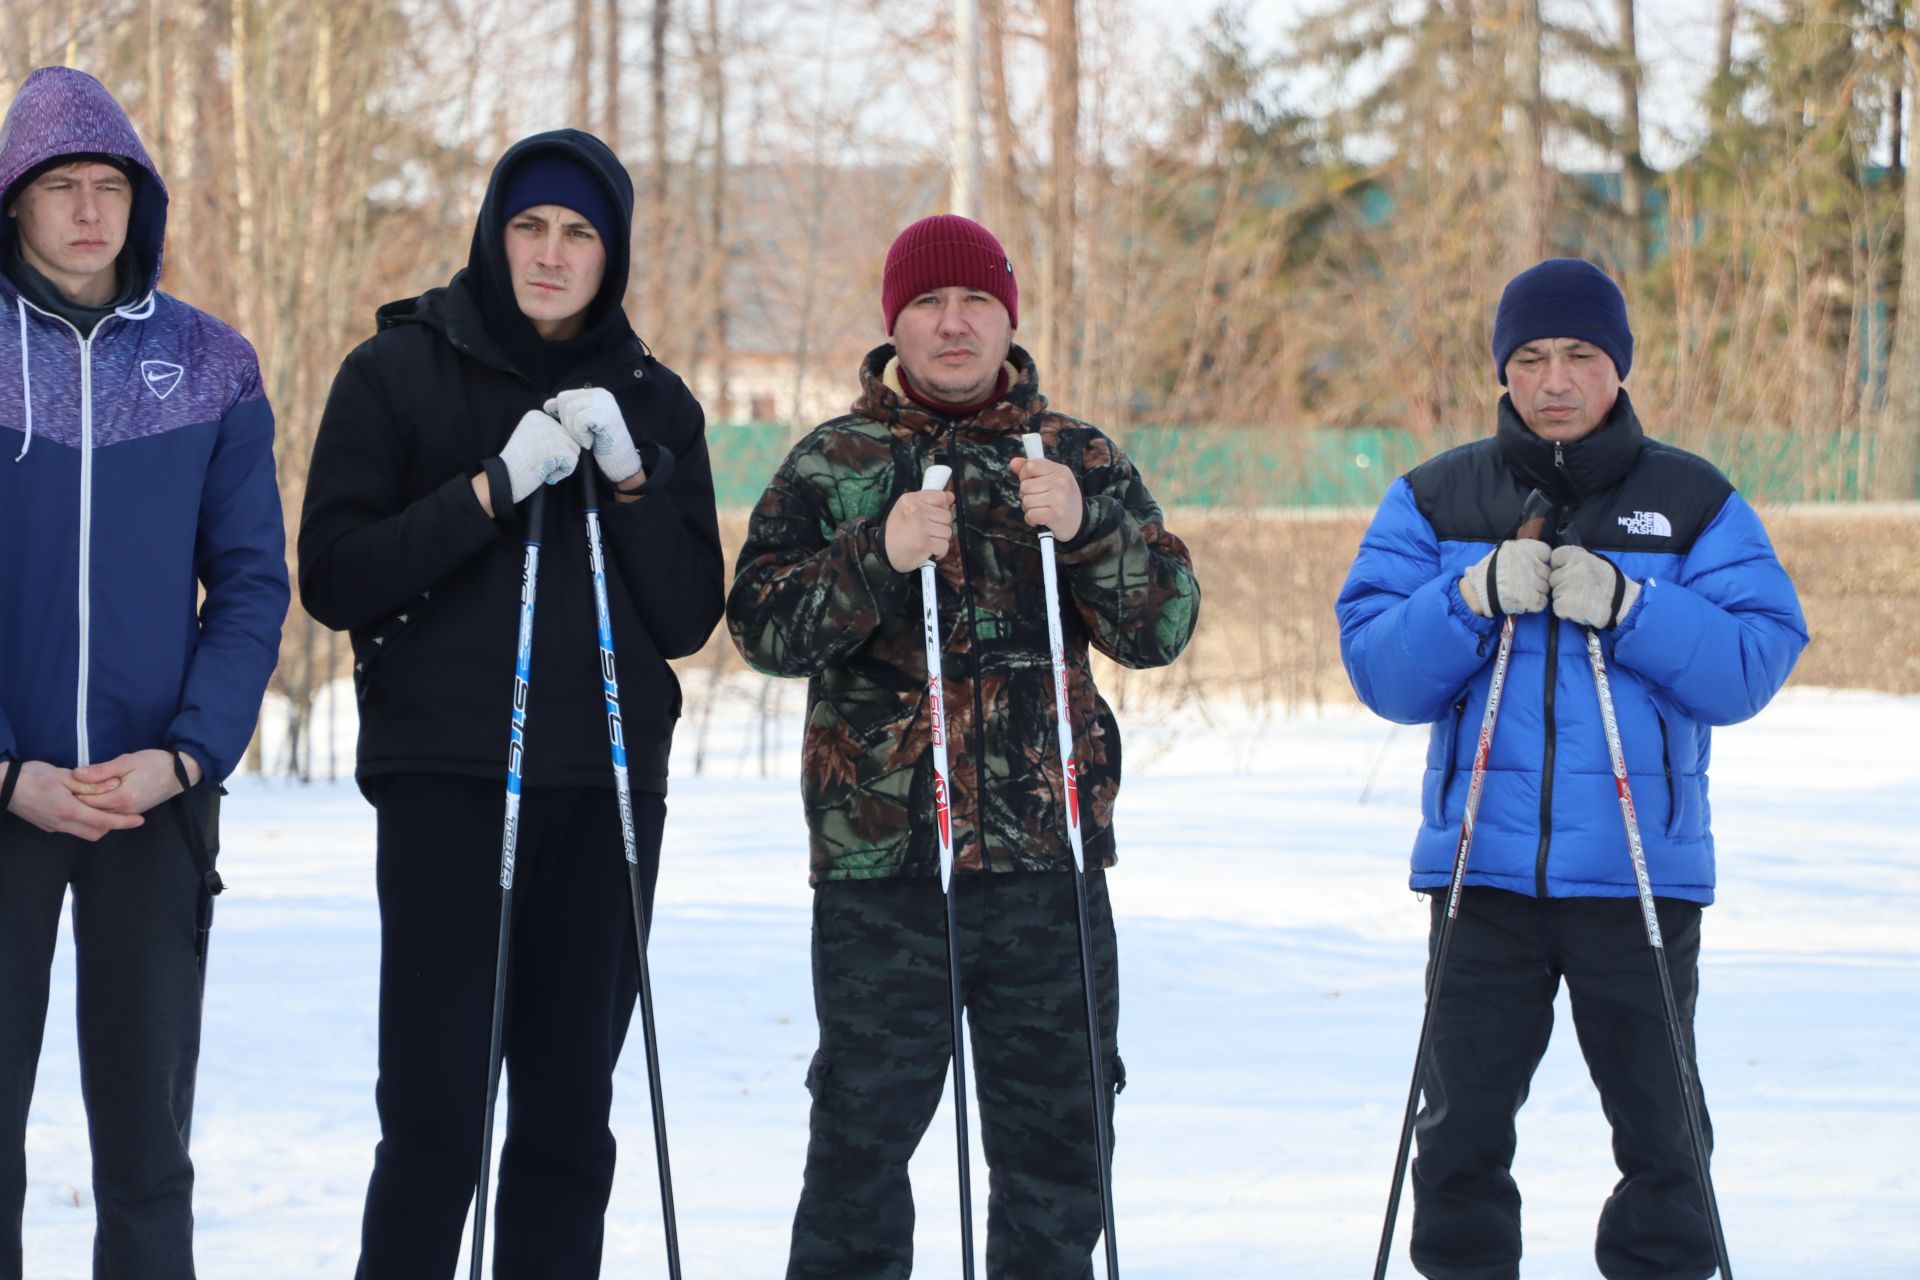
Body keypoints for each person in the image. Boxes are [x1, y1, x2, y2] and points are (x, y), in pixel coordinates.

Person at [727, 213, 1200, 1277]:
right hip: (884, 868)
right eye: (930, 304)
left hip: (1050, 863)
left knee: (1059, 1151)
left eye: (975, 302)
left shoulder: (1074, 454)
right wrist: (876, 552)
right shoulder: (835, 461)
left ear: (1008, 316)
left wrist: (1090, 530)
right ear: (894, 319)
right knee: (859, 1145)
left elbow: (1161, 626)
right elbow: (759, 626)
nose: (953, 325)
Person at [297, 129, 723, 1278]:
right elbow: (334, 575)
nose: (550, 252)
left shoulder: (659, 403)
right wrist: (489, 487)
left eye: (579, 232)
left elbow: (688, 615)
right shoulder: (396, 372)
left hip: (605, 797)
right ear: (493, 231)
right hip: (451, 782)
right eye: (529, 225)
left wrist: (636, 483)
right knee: (436, 1117)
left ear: (612, 251)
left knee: (568, 1125)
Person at [1335, 258, 1809, 1280]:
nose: (1555, 379)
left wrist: (1633, 606)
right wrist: (1469, 595)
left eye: (1580, 355)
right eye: (1531, 357)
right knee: (1459, 1132)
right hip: (1481, 877)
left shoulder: (1690, 500)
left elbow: (1754, 658)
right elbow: (1378, 663)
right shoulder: (1437, 495)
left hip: (1638, 875)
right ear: (1504, 370)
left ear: (1617, 364)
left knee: (1664, 1131)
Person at [0, 66, 289, 1280]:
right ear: (16, 202)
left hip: (149, 801)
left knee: (146, 1149)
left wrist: (183, 756)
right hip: (3, 802)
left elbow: (253, 585)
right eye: (60, 185)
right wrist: (8, 769)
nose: (86, 209)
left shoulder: (211, 363)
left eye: (108, 185)